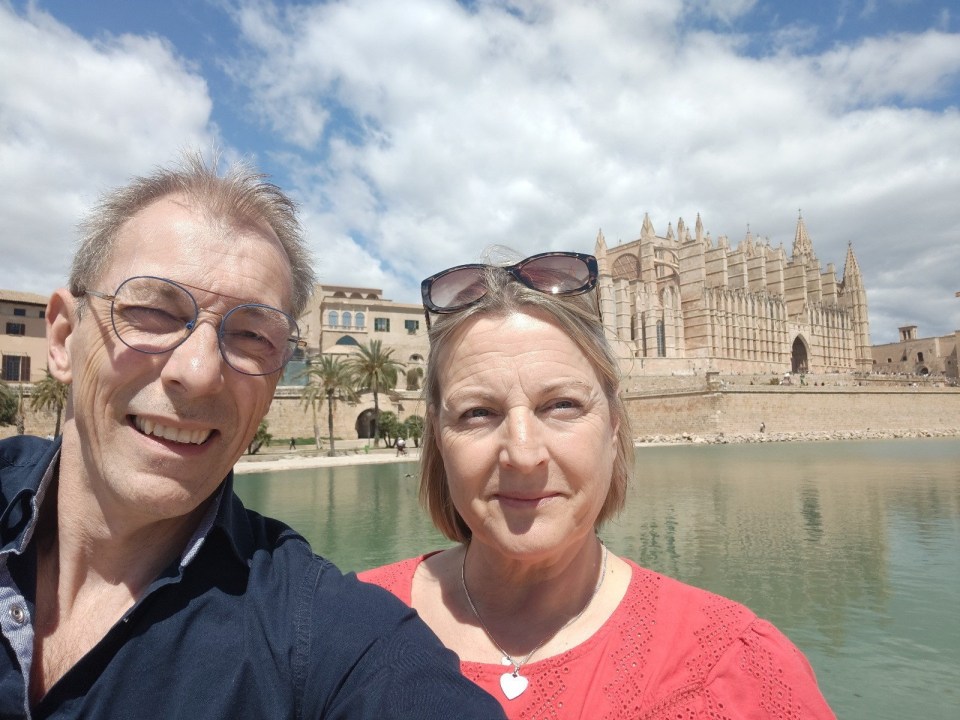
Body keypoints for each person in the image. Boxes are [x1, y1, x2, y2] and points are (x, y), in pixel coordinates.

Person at [0, 155, 506, 719]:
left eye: (250, 336)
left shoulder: (329, 640)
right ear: (65, 339)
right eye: (151, 312)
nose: (197, 372)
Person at [360, 251, 836, 719]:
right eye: (478, 412)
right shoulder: (335, 630)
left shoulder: (739, 668)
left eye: (562, 405)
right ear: (437, 440)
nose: (524, 455)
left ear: (614, 428)